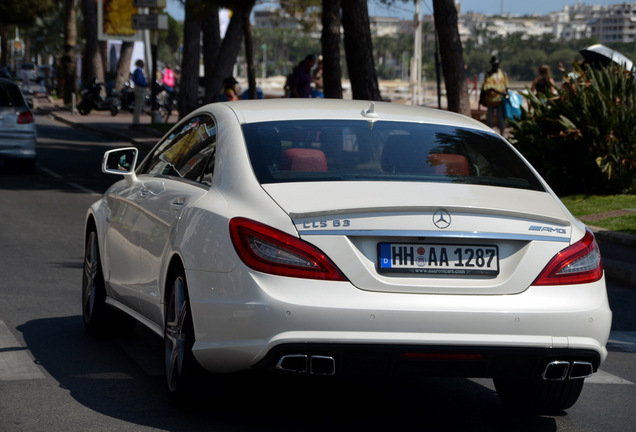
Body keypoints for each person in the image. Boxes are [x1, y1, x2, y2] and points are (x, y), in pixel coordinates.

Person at [480, 55, 509, 134]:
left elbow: (506, 86)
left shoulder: (503, 74)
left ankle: (502, 135)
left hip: (500, 101)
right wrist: (500, 92)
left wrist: (507, 93)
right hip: (491, 101)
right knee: (490, 120)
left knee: (501, 119)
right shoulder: (488, 74)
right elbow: (488, 87)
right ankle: (490, 135)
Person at [131, 59, 148, 126]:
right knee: (139, 105)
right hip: (140, 89)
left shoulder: (136, 71)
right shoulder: (139, 71)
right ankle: (136, 121)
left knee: (138, 105)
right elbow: (140, 81)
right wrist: (145, 84)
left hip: (137, 88)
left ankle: (136, 120)